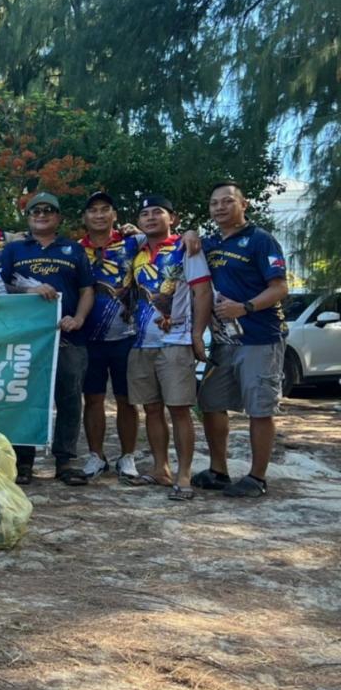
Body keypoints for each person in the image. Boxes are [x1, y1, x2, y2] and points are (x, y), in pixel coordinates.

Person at [193, 181, 289, 498]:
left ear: (243, 204)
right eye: (214, 203)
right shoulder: (210, 244)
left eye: (227, 201)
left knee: (259, 407)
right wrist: (189, 235)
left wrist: (244, 308)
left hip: (260, 337)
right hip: (223, 342)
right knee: (211, 402)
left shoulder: (261, 241)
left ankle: (257, 478)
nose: (220, 207)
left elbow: (279, 288)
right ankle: (219, 470)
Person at [1, 191, 94, 486]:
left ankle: (66, 460)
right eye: (35, 211)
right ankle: (23, 460)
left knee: (69, 398)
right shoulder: (14, 250)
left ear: (59, 217)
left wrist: (78, 319)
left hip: (67, 335)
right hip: (26, 338)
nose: (41, 215)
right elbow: (0, 288)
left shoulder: (73, 249)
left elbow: (87, 290)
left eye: (48, 210)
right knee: (24, 397)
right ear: (28, 218)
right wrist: (29, 290)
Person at [125, 195, 212, 500]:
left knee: (178, 409)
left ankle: (184, 474)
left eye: (157, 212)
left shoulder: (186, 248)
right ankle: (160, 468)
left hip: (175, 341)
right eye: (144, 214)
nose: (150, 217)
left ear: (172, 218)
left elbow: (202, 293)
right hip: (141, 341)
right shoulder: (135, 251)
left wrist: (197, 335)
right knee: (150, 409)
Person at [78, 191, 141, 481]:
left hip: (127, 335)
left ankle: (127, 457)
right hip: (89, 337)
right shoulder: (76, 249)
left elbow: (166, 240)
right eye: (93, 210)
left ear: (115, 215)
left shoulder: (133, 243)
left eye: (105, 209)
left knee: (128, 400)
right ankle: (96, 456)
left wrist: (139, 229)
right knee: (93, 399)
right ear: (84, 218)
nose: (99, 215)